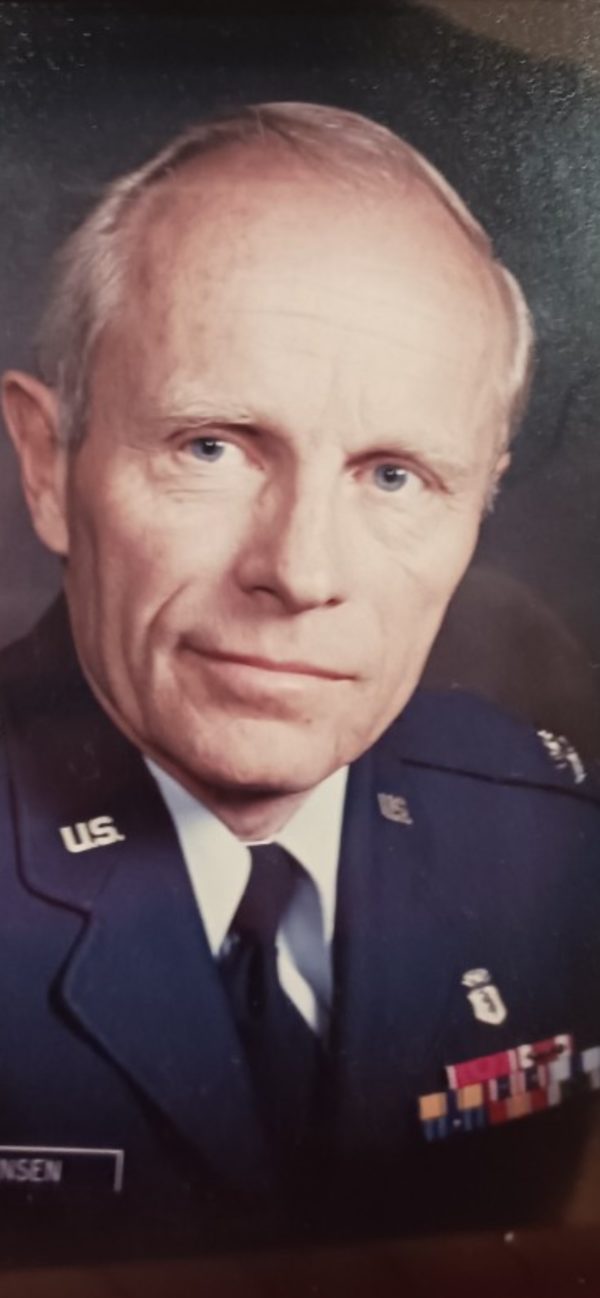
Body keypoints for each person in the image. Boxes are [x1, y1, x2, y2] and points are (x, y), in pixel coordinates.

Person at [1, 102, 599, 1258]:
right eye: (212, 445)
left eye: (395, 474)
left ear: (479, 501)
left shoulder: (562, 852)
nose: (302, 571)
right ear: (46, 464)